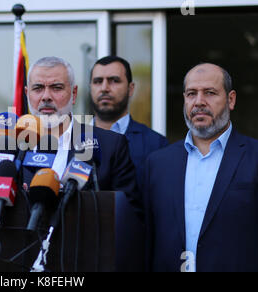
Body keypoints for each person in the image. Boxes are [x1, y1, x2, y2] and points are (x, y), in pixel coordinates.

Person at [144, 63, 258, 272]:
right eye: (191, 94)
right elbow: (146, 238)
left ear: (231, 99)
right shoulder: (157, 164)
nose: (199, 102)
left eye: (210, 93)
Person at [89, 56, 168, 271]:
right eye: (97, 81)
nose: (104, 88)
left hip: (134, 259)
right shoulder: (70, 139)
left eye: (114, 80)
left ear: (131, 88)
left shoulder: (157, 145)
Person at [23, 56, 138, 199]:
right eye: (38, 88)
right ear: (27, 94)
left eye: (56, 88)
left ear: (74, 93)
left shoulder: (110, 146)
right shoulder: (10, 148)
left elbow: (127, 213)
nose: (46, 96)